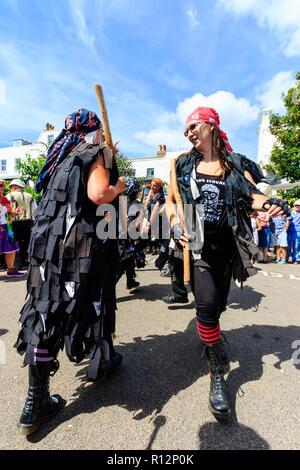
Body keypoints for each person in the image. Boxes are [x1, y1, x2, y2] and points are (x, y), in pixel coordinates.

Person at [165, 106, 290, 422]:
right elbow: (170, 203)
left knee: (218, 305)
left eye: (194, 126)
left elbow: (253, 196)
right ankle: (216, 373)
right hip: (198, 247)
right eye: (186, 129)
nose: (189, 132)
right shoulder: (181, 165)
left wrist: (272, 203)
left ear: (211, 125)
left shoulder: (234, 164)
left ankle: (212, 335)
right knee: (205, 306)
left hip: (227, 247)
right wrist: (176, 223)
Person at [14, 108, 126, 436]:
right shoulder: (96, 152)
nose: (104, 139)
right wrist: (117, 183)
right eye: (101, 134)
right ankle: (103, 358)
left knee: (45, 315)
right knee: (94, 299)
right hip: (79, 246)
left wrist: (107, 157)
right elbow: (97, 194)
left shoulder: (59, 158)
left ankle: (34, 403)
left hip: (46, 246)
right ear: (94, 132)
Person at [117, 177, 145, 289]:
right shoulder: (138, 205)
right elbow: (138, 225)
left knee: (127, 260)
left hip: (118, 236)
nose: (139, 193)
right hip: (130, 238)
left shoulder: (120, 202)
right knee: (125, 262)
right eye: (138, 191)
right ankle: (105, 291)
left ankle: (130, 281)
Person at [7, 179, 36, 269]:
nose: (11, 188)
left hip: (14, 223)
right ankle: (27, 264)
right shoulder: (30, 196)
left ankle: (17, 265)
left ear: (15, 186)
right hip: (28, 223)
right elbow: (36, 210)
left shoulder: (9, 196)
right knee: (27, 243)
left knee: (14, 244)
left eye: (11, 187)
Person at [0, 179, 25, 277]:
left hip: (6, 226)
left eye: (3, 185)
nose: (2, 187)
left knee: (11, 249)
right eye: (0, 185)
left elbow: (8, 215)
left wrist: (15, 213)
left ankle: (11, 270)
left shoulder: (5, 200)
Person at [144, 179, 166, 255]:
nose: (152, 187)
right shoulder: (151, 195)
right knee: (150, 234)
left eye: (154, 185)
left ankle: (156, 249)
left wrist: (149, 224)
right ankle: (150, 248)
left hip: (158, 220)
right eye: (151, 185)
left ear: (159, 187)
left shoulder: (159, 196)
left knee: (155, 235)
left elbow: (155, 210)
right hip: (150, 218)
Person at [286, 199, 300, 264]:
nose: (297, 206)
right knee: (287, 245)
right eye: (296, 205)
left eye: (298, 205)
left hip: (297, 231)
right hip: (289, 230)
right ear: (294, 206)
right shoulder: (290, 212)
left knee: (296, 246)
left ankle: (295, 259)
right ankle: (286, 258)